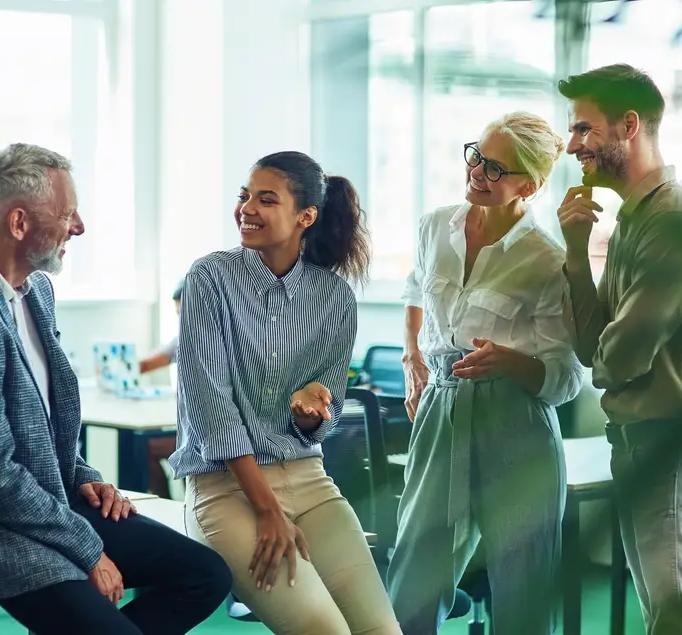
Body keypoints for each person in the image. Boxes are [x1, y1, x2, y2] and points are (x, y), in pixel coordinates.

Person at [0, 143, 231, 635]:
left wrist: (84, 474)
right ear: (19, 222)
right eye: (68, 213)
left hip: (49, 501)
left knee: (206, 575)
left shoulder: (36, 289)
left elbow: (43, 425)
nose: (80, 226)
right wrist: (88, 549)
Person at [169, 150, 401, 635]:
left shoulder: (335, 298)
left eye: (265, 199)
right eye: (244, 196)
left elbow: (328, 409)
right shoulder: (210, 279)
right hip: (226, 488)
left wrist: (313, 413)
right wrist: (268, 510)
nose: (246, 208)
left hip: (310, 482)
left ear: (306, 216)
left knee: (382, 631)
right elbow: (212, 410)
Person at [387, 112, 585, 634]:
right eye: (476, 155)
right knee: (414, 565)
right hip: (441, 407)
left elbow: (567, 379)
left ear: (531, 184)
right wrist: (413, 356)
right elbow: (414, 291)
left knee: (522, 577)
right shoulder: (434, 226)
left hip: (515, 418)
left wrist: (512, 362)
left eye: (496, 168)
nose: (477, 170)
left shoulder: (546, 259)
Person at [556, 64, 682, 635]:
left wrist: (610, 355)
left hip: (675, 449)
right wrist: (578, 250)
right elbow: (591, 347)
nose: (571, 144)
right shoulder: (633, 220)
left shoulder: (677, 220)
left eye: (584, 128)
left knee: (680, 623)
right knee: (665, 619)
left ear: (629, 125)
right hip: (636, 445)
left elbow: (624, 353)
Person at [138, 279, 184, 499]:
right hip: (187, 427)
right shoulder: (182, 340)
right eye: (179, 314)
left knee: (144, 448)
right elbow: (145, 364)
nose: (184, 319)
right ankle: (167, 503)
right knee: (143, 447)